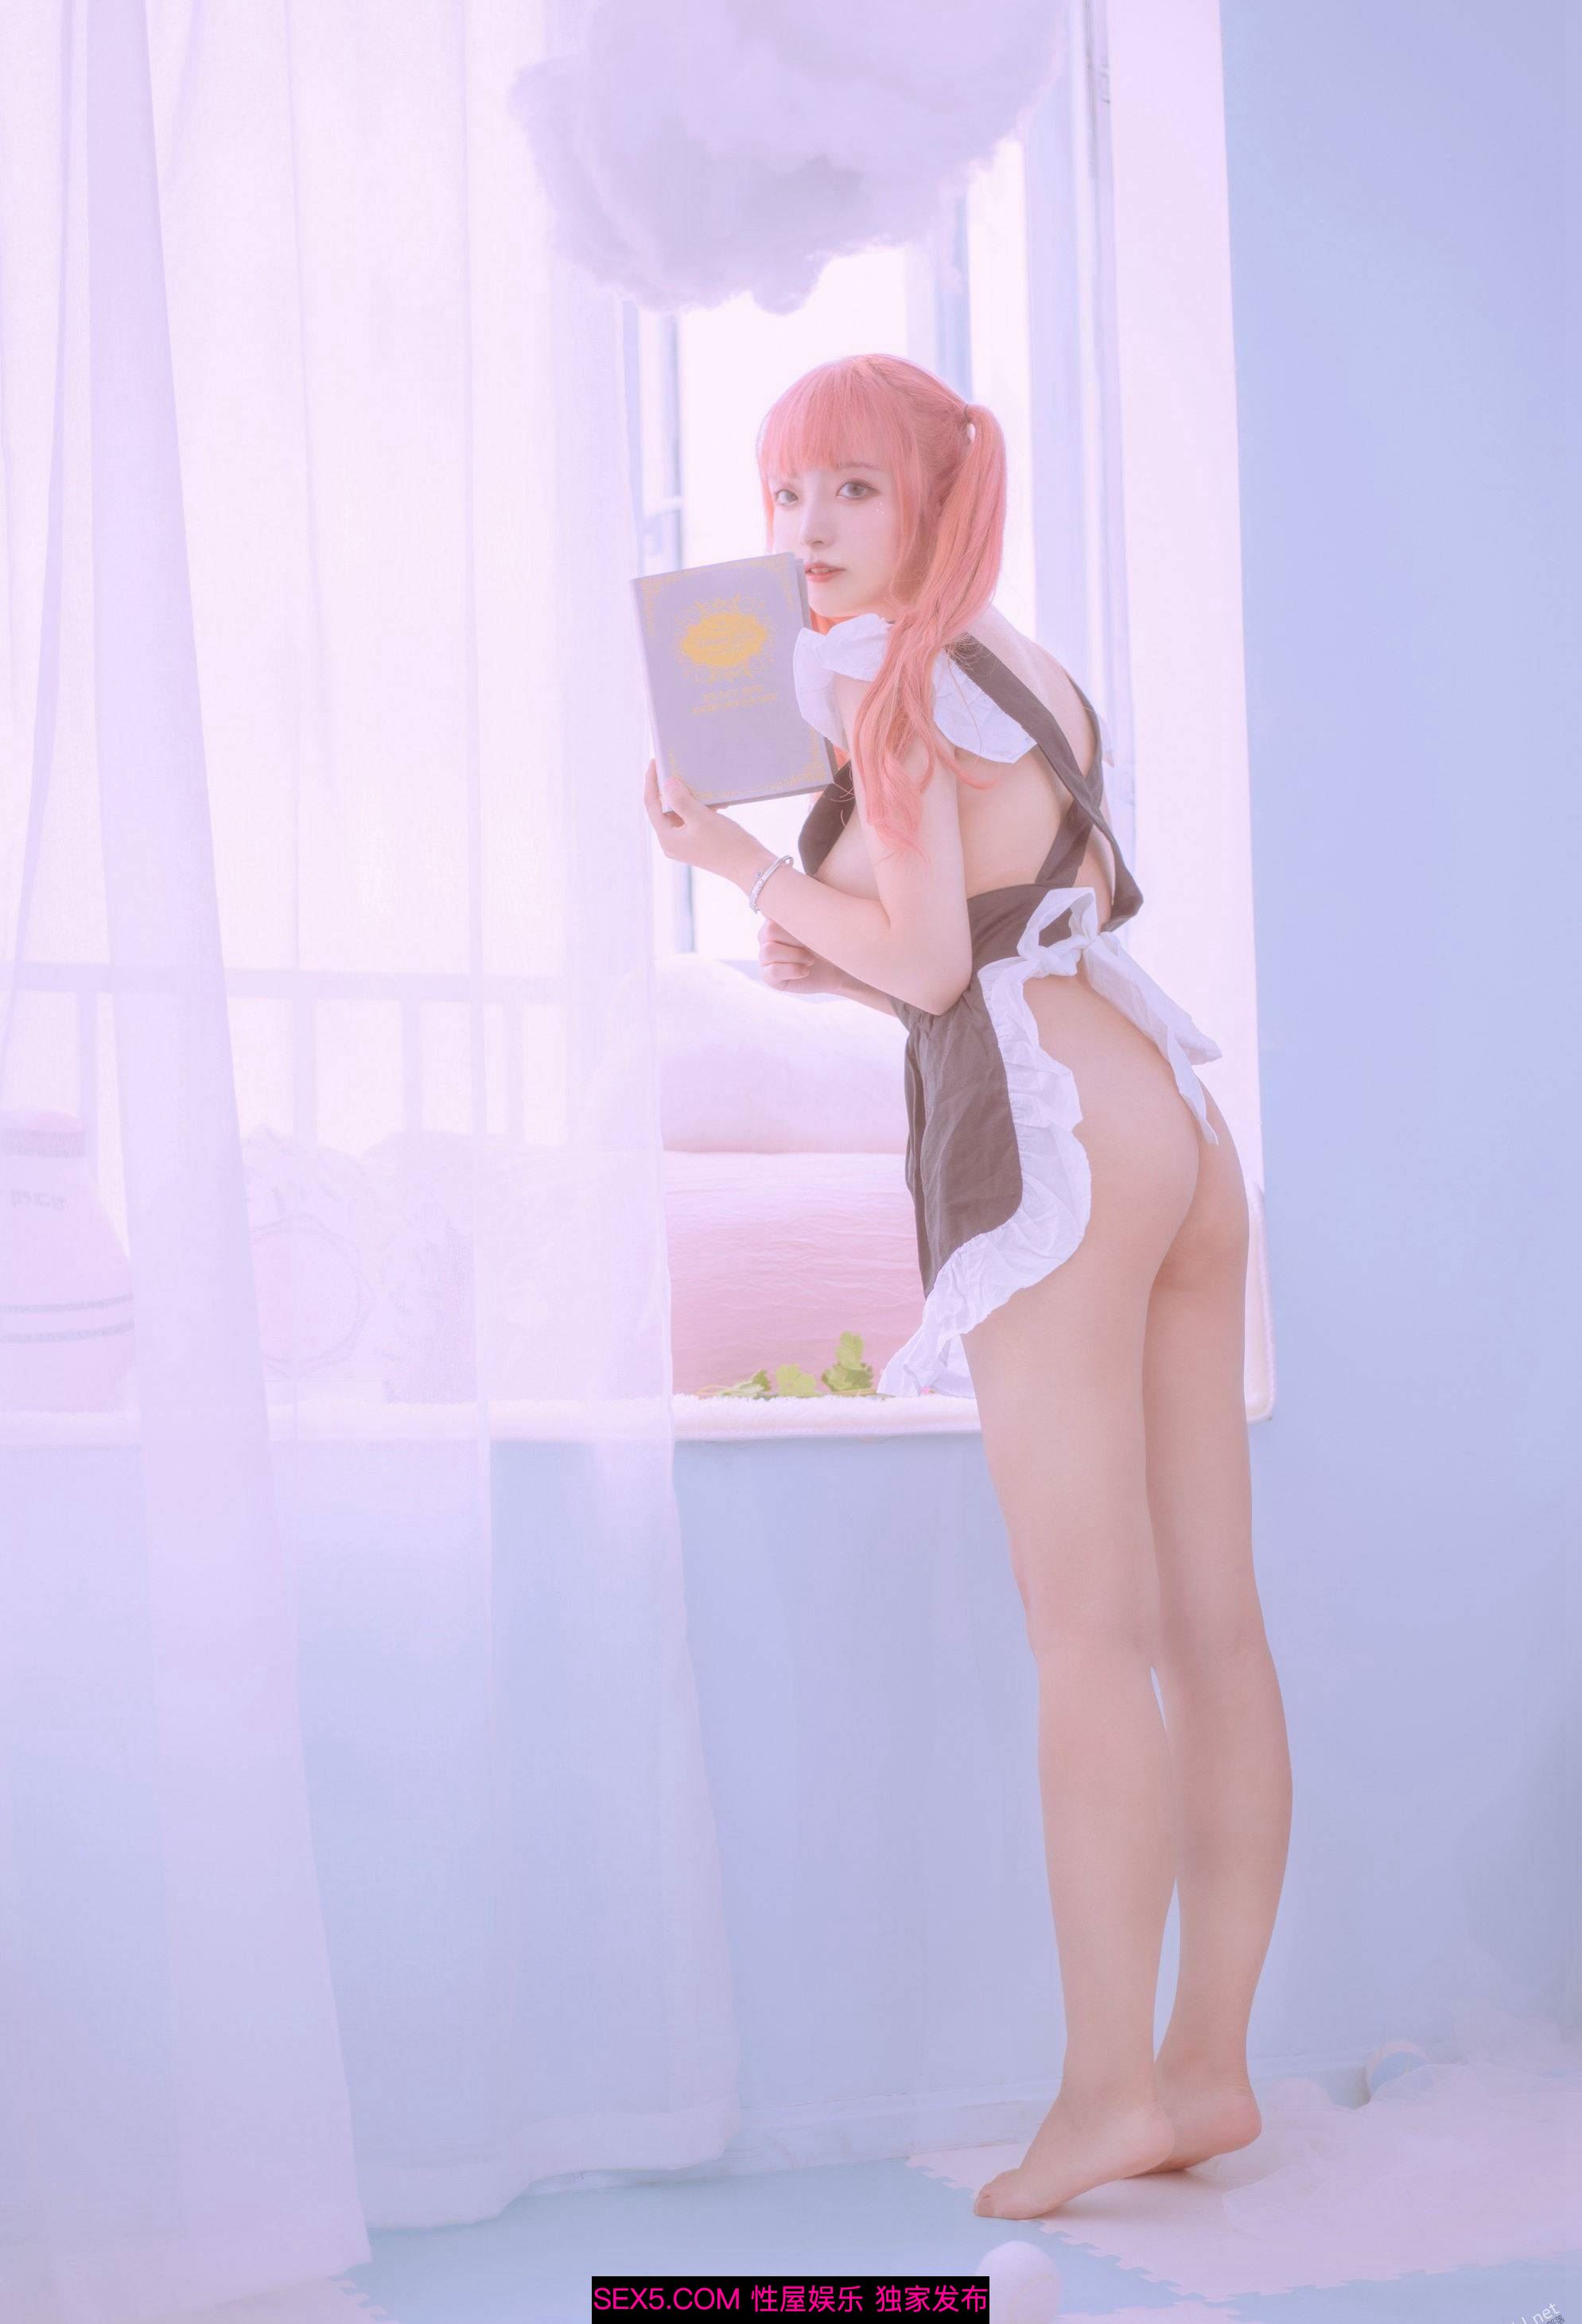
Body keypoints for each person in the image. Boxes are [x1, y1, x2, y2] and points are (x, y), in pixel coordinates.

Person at [642, 352, 1292, 2221]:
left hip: (1051, 1134)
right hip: (1160, 1105)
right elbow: (970, 928)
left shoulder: (885, 680)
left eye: (850, 489)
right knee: (1211, 1628)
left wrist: (737, 862)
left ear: (936, 493)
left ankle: (1103, 2097)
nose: (806, 529)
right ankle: (1204, 2070)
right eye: (784, 494)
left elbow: (934, 972)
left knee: (1084, 1634)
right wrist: (823, 934)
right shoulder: (1021, 662)